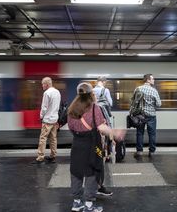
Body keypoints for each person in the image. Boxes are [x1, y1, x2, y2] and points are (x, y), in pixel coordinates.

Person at [68, 82, 125, 212]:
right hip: (92, 145)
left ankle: (76, 203)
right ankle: (89, 205)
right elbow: (101, 128)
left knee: (76, 172)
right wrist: (115, 132)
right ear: (91, 94)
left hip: (77, 145)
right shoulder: (94, 108)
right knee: (91, 173)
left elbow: (71, 127)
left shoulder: (71, 109)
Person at [92, 76, 114, 196]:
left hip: (90, 136)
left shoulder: (91, 92)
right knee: (100, 157)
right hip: (101, 131)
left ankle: (96, 185)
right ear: (104, 82)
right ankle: (98, 186)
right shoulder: (105, 91)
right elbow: (110, 103)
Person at [133, 74, 161, 157]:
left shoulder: (137, 89)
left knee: (140, 133)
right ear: (148, 80)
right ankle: (152, 152)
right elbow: (159, 104)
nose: (154, 80)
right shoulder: (154, 91)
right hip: (151, 115)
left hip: (140, 115)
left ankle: (139, 151)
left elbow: (134, 101)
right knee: (152, 134)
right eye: (152, 79)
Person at [34, 77, 61, 164]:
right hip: (54, 119)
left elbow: (44, 107)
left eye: (43, 84)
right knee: (53, 138)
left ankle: (40, 157)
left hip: (47, 120)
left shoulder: (47, 93)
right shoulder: (57, 92)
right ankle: (53, 155)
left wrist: (41, 116)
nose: (42, 86)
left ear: (47, 84)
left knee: (43, 138)